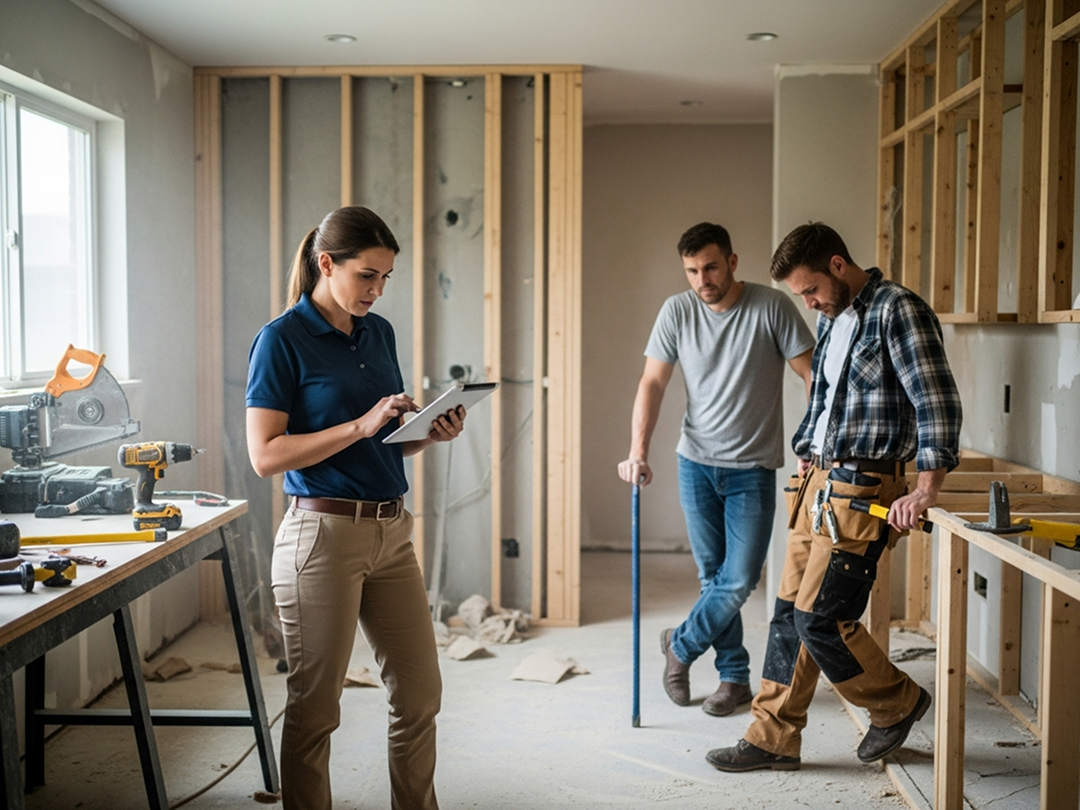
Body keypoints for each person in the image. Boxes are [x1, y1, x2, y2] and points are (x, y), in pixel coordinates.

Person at [706, 222, 962, 773]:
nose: (809, 302)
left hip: (864, 486)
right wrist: (806, 448)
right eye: (801, 295)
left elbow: (936, 399)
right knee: (785, 616)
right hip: (818, 482)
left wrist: (925, 487)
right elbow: (822, 399)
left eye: (811, 289)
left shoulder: (898, 310)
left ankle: (895, 703)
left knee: (822, 618)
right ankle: (771, 736)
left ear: (839, 266)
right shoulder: (833, 320)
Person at [246, 206, 466, 810]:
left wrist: (427, 433)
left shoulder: (380, 332)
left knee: (420, 694)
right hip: (321, 536)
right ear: (326, 264)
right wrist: (361, 422)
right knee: (317, 709)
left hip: (391, 533)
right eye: (367, 275)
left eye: (386, 278)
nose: (377, 289)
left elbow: (382, 443)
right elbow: (265, 455)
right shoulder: (281, 339)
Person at [617, 222, 815, 716]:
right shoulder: (677, 311)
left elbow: (812, 374)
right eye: (691, 270)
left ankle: (679, 646)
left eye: (709, 266)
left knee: (739, 579)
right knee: (713, 578)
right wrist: (637, 451)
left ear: (732, 261)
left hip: (752, 467)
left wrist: (818, 437)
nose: (701, 279)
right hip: (696, 463)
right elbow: (652, 384)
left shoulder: (772, 306)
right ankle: (734, 679)